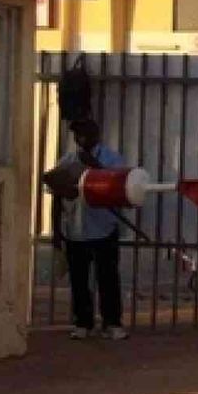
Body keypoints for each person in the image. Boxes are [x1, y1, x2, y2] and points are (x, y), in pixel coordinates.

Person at [42, 119, 128, 340]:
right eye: (78, 135)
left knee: (107, 277)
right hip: (76, 229)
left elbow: (120, 188)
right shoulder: (68, 161)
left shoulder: (112, 159)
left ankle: (112, 322)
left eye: (85, 134)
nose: (81, 139)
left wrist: (94, 166)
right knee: (79, 280)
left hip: (104, 227)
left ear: (96, 134)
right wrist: (57, 232)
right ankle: (83, 322)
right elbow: (57, 197)